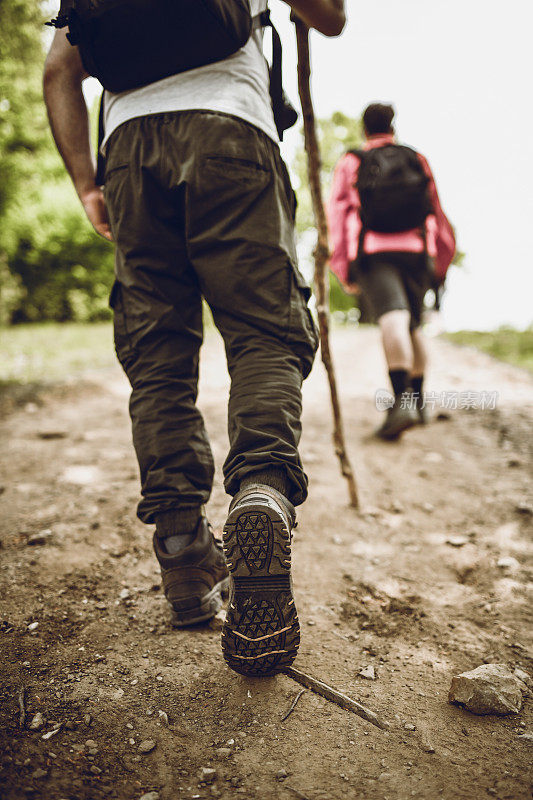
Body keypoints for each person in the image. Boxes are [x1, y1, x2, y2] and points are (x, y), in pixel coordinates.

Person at [43, 0, 345, 677]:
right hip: (230, 132)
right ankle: (262, 486)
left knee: (158, 358)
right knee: (265, 332)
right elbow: (329, 16)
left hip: (127, 152)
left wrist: (88, 184)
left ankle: (183, 550)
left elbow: (59, 72)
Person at [328, 103, 455, 439]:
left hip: (374, 252)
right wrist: (441, 259)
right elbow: (436, 209)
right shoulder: (416, 157)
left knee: (393, 319)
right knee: (413, 325)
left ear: (364, 129)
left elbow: (338, 218)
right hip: (417, 252)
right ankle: (418, 401)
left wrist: (342, 267)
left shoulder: (353, 161)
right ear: (392, 126)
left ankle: (402, 403)